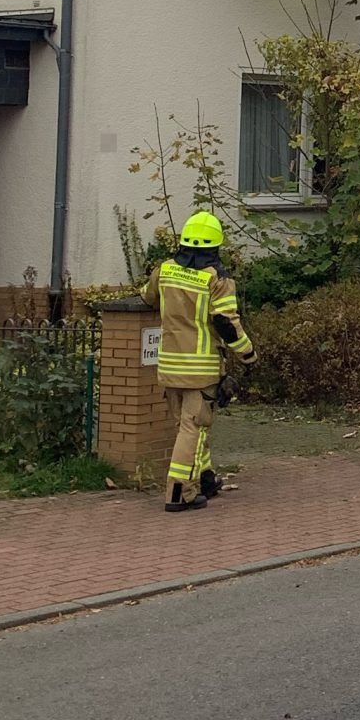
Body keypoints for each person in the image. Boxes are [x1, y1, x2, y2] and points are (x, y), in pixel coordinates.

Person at [140, 210, 256, 513]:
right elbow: (226, 324)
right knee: (192, 428)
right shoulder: (217, 279)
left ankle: (204, 480)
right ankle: (178, 493)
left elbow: (147, 297)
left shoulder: (164, 270)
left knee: (190, 426)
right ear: (215, 247)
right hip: (201, 368)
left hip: (168, 366)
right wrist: (248, 353)